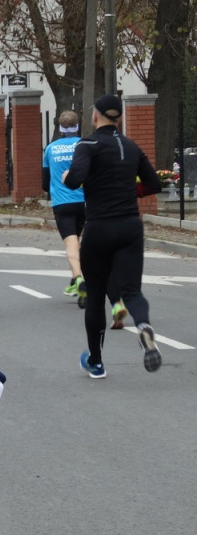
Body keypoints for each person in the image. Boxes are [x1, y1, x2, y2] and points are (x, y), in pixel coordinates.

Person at [63, 94, 163, 377]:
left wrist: (67, 176)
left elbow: (74, 180)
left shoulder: (88, 144)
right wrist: (132, 192)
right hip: (131, 226)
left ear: (95, 117)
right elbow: (154, 183)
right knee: (131, 290)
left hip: (99, 228)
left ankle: (96, 362)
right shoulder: (132, 147)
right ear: (119, 118)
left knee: (95, 295)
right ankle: (143, 326)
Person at [42, 110, 88, 306]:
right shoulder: (84, 146)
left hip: (62, 203)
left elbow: (45, 184)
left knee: (71, 244)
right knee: (80, 242)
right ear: (78, 125)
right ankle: (74, 279)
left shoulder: (50, 149)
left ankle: (78, 279)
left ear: (59, 127)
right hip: (85, 202)